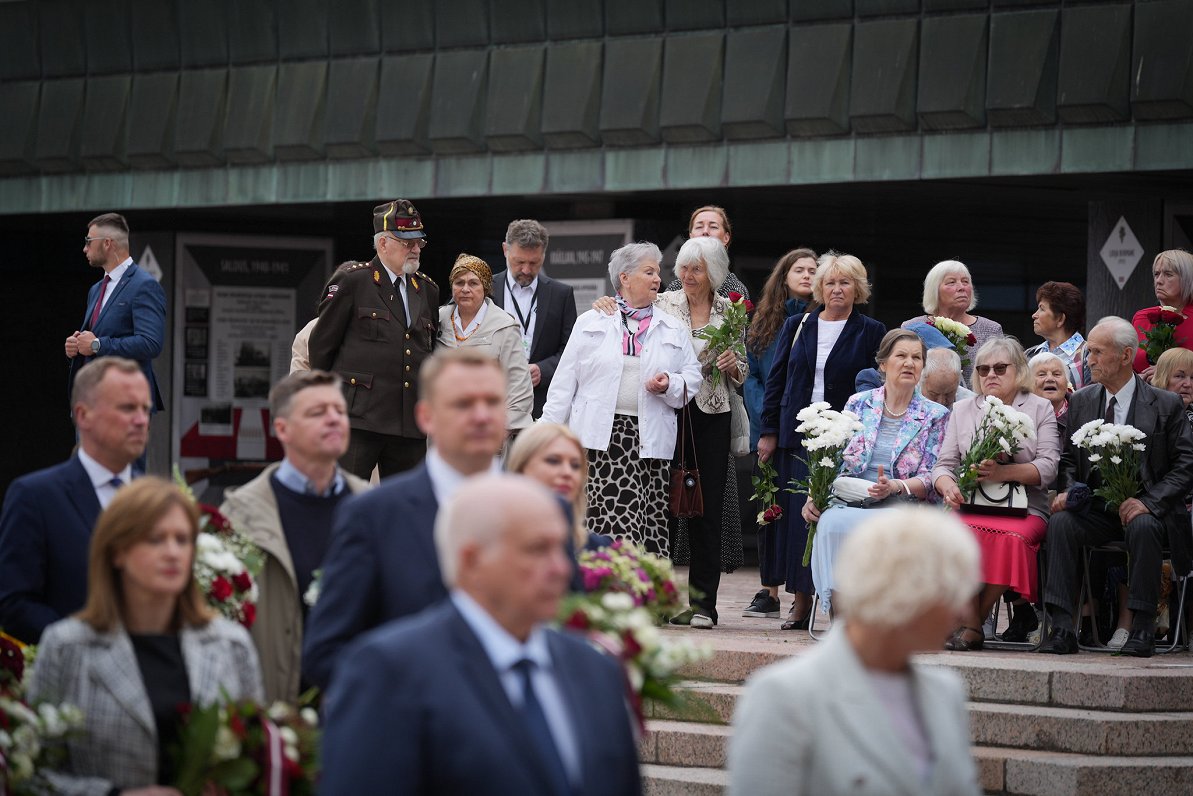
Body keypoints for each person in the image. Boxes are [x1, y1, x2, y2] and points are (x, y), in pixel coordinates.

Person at [320, 475, 642, 796]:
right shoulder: (390, 672)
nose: (562, 568)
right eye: (537, 549)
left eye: (561, 547)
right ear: (472, 561)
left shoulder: (596, 669)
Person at [28, 477, 264, 794]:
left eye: (182, 540)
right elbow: (34, 774)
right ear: (117, 552)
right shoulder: (67, 646)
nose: (172, 552)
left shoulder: (230, 645)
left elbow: (258, 759)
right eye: (155, 539)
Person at [727, 506, 982, 796]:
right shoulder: (784, 696)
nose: (963, 611)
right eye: (952, 593)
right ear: (908, 591)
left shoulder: (945, 693)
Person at [302, 349, 507, 690]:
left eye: (493, 402)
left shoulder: (542, 511)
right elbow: (327, 651)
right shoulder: (373, 517)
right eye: (463, 404)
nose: (482, 416)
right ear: (426, 416)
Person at [1040, 317, 1193, 657]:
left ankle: (1141, 629)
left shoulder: (1165, 404)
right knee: (1062, 523)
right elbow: (1068, 460)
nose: (1088, 360)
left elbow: (1186, 466)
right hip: (1096, 509)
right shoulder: (1081, 400)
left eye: (1096, 352)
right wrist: (1068, 491)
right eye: (1088, 352)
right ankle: (1062, 628)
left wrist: (1150, 502)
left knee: (1142, 526)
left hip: (1151, 512)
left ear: (1125, 356)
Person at [218, 370, 371, 703]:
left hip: (354, 709)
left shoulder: (373, 509)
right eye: (318, 413)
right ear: (282, 429)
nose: (334, 419)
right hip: (272, 712)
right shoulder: (240, 514)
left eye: (340, 411)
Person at [541, 242, 701, 557]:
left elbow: (691, 380)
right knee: (603, 527)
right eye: (649, 271)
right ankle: (601, 597)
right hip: (599, 440)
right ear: (624, 278)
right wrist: (547, 433)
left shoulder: (673, 326)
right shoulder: (591, 321)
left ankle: (647, 602)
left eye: (658, 272)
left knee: (650, 526)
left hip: (649, 441)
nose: (658, 279)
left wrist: (670, 383)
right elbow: (564, 383)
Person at [758, 252, 886, 630]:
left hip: (843, 437)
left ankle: (837, 602)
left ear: (857, 288)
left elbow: (873, 384)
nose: (836, 289)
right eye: (829, 282)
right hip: (797, 435)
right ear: (819, 287)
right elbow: (776, 379)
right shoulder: (798, 324)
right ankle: (801, 601)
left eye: (845, 282)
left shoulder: (871, 330)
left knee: (830, 515)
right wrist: (768, 431)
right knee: (799, 520)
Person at [0, 357, 151, 642]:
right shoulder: (35, 497)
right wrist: (87, 642)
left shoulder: (160, 500)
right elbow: (14, 604)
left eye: (145, 409)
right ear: (83, 415)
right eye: (128, 408)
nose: (142, 420)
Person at [805, 329, 950, 613]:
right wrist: (813, 496)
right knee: (831, 522)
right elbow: (833, 460)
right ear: (883, 364)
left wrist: (895, 486)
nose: (909, 363)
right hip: (852, 498)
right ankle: (840, 609)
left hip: (902, 503)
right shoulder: (858, 404)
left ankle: (884, 611)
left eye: (916, 358)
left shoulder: (936, 415)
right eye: (901, 356)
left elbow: (931, 476)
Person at [932, 338, 1060, 651]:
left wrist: (1003, 473)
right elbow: (943, 465)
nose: (991, 374)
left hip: (1025, 509)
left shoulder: (1039, 407)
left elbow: (1048, 466)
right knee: (946, 533)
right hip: (969, 504)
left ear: (1019, 371)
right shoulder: (963, 409)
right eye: (984, 369)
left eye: (1000, 368)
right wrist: (947, 485)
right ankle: (973, 625)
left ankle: (970, 622)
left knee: (1009, 538)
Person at [308, 199, 439, 479]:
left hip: (408, 422)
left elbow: (426, 350)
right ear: (383, 244)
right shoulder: (353, 282)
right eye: (407, 242)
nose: (416, 249)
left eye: (419, 242)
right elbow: (321, 348)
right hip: (359, 419)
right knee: (346, 498)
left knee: (405, 506)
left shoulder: (427, 289)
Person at [741, 247, 817, 619]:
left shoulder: (823, 319)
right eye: (800, 269)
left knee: (803, 507)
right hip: (770, 427)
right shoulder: (763, 321)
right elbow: (754, 377)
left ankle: (801, 590)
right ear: (783, 276)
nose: (807, 275)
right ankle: (767, 589)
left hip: (809, 427)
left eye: (813, 270)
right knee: (769, 506)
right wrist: (765, 423)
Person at [65, 212, 167, 416]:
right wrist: (77, 347)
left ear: (107, 243)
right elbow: (96, 340)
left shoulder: (144, 285)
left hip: (124, 405)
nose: (84, 248)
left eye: (88, 241)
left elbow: (150, 343)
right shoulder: (95, 289)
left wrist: (97, 345)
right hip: (92, 401)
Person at [438, 253, 534, 434]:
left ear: (485, 287)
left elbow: (519, 385)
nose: (465, 289)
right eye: (459, 283)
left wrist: (500, 430)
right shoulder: (439, 319)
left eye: (473, 283)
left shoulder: (504, 325)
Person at [490, 219, 578, 418]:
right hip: (492, 399)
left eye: (534, 263)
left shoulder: (561, 294)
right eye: (519, 262)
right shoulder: (484, 290)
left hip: (541, 404)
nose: (526, 270)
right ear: (505, 250)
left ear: (543, 255)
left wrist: (543, 369)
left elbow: (572, 350)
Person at [901, 259, 1003, 383]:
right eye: (951, 282)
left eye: (965, 282)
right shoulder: (912, 327)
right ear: (934, 290)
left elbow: (999, 375)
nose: (961, 288)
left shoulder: (990, 329)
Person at [664, 205, 751, 299]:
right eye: (699, 227)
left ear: (726, 238)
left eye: (713, 227)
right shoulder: (676, 287)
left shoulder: (734, 291)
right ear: (691, 236)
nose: (705, 232)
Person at [1132, 249, 1193, 378]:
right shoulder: (1142, 318)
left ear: (1187, 279)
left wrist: (1167, 372)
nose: (1159, 281)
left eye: (1168, 274)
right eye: (1156, 274)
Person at [1026, 281, 1089, 391]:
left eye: (1042, 308)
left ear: (1060, 319)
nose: (1034, 315)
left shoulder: (1088, 354)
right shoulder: (1029, 355)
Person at [1030, 350, 1072, 434]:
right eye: (1042, 374)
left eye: (1056, 374)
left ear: (1067, 382)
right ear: (1028, 382)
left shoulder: (1082, 411)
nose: (1050, 379)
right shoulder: (1018, 415)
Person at [1154, 346, 1193, 427]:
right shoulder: (1147, 415)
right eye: (1179, 376)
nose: (1188, 384)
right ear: (1162, 377)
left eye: (1192, 377)